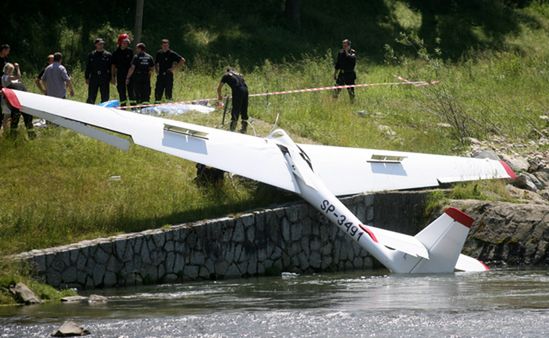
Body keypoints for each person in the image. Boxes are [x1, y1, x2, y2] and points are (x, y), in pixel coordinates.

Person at [1, 62, 34, 138]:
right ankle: (6, 133)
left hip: (16, 99)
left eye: (11, 70)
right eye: (9, 69)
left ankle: (11, 134)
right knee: (7, 117)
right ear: (6, 69)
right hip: (8, 100)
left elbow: (18, 78)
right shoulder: (5, 77)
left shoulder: (10, 77)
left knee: (13, 116)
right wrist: (17, 67)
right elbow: (18, 77)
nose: (10, 71)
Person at [217, 68, 249, 133]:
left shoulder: (226, 75)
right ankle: (244, 128)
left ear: (227, 71)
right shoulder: (239, 75)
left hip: (238, 91)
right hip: (246, 90)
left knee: (235, 108)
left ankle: (232, 128)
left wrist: (220, 96)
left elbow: (219, 87)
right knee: (244, 108)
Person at [85, 38, 112, 104]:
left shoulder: (108, 55)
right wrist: (86, 77)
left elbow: (111, 67)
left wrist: (111, 77)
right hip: (94, 77)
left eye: (102, 44)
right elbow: (88, 67)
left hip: (104, 77)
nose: (101, 45)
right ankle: (89, 110)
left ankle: (104, 111)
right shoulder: (91, 55)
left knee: (105, 97)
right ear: (96, 45)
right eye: (99, 44)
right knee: (91, 96)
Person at [112, 33, 135, 105]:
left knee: (131, 92)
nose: (125, 44)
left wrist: (128, 77)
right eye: (124, 42)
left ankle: (134, 109)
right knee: (121, 92)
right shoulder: (116, 53)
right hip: (120, 75)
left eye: (127, 42)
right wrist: (113, 76)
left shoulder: (130, 51)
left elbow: (132, 65)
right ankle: (123, 108)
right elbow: (113, 66)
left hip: (130, 75)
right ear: (120, 42)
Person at [0, 44, 11, 131]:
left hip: (2, 82)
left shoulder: (5, 59)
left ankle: (2, 119)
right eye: (7, 50)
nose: (8, 52)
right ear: (3, 50)